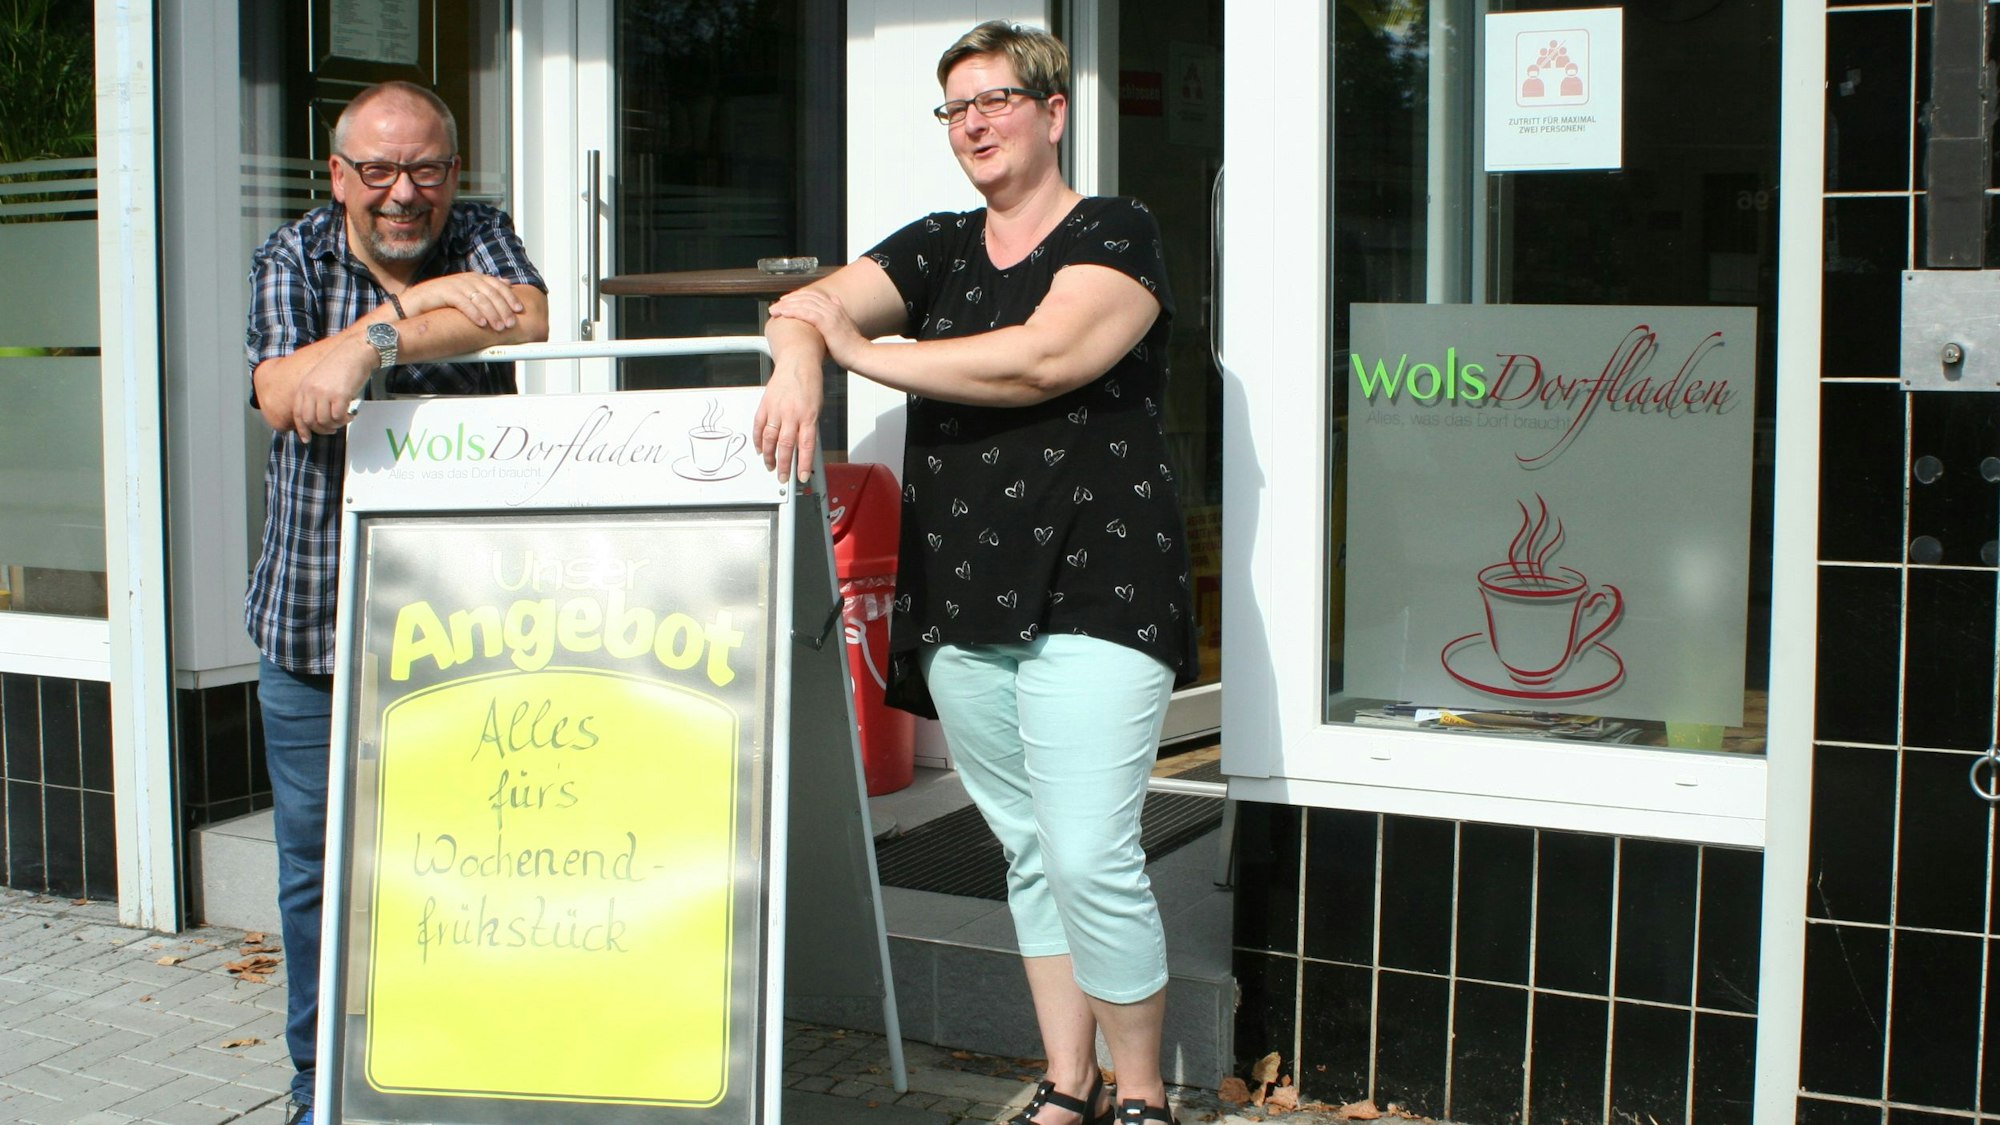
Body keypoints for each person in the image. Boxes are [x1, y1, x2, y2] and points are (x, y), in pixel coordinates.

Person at [755, 21, 1196, 1125]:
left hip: (1099, 587)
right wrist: (801, 366)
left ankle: (1143, 1091)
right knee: (1029, 850)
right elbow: (803, 303)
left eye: (997, 99)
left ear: (1053, 112)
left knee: (1091, 849)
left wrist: (868, 358)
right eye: (956, 108)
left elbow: (1049, 355)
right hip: (963, 597)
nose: (976, 123)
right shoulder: (941, 245)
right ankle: (1068, 1082)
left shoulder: (1115, 231)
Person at [242, 80, 548, 1125]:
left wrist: (366, 343)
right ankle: (316, 1092)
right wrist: (422, 306)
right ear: (339, 176)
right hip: (315, 633)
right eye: (377, 171)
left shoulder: (484, 230)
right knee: (318, 884)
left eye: (423, 169)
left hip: (463, 637)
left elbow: (533, 317)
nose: (402, 193)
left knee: (462, 873)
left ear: (453, 174)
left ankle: (448, 1084)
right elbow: (284, 396)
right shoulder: (292, 254)